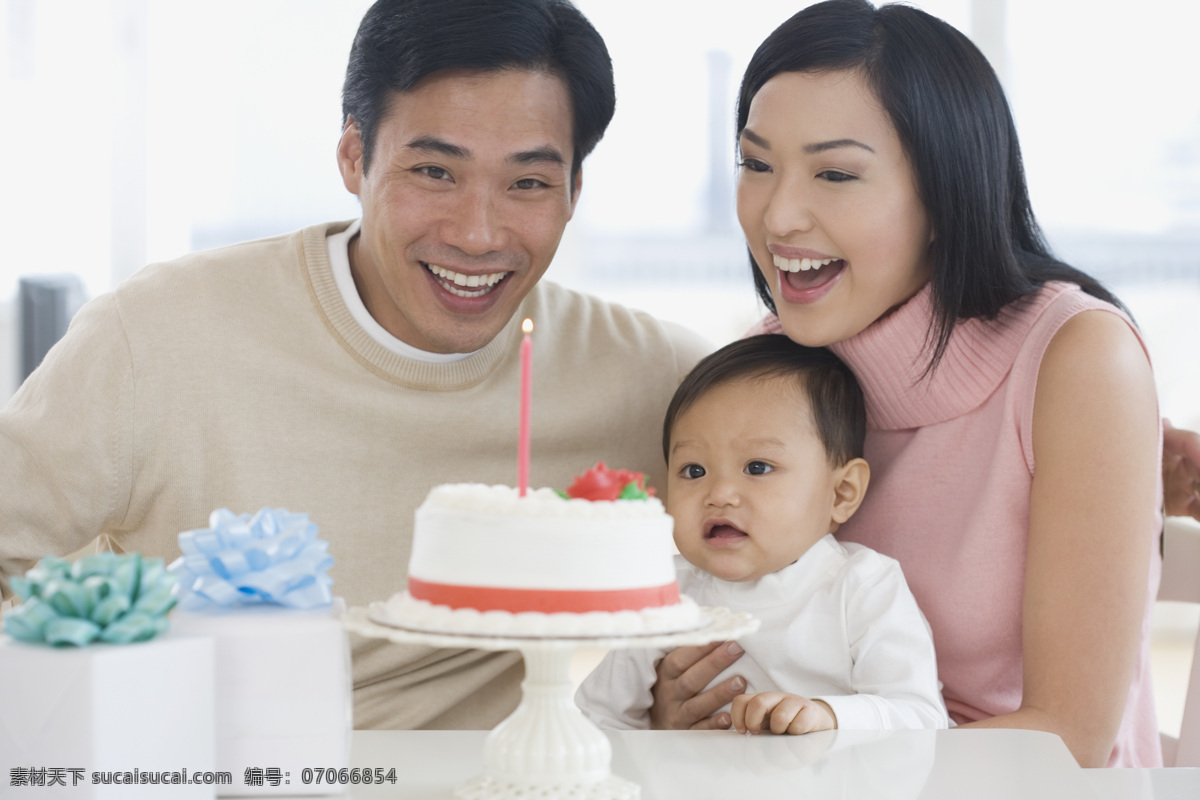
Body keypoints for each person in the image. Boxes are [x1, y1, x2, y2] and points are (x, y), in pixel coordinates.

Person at [0, 0, 710, 730]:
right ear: (352, 156)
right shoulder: (156, 334)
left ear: (574, 192)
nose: (476, 232)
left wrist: (659, 704)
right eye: (434, 170)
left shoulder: (666, 384)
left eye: (527, 182)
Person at [648, 0, 1167, 768]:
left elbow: (1071, 739)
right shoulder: (767, 369)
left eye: (835, 172)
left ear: (943, 194)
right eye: (756, 164)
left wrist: (825, 758)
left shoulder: (1077, 359)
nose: (778, 215)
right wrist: (673, 710)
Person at [575, 335, 948, 734]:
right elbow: (596, 721)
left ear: (841, 493)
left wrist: (828, 715)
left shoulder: (861, 586)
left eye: (757, 467)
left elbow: (922, 718)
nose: (718, 494)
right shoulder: (663, 595)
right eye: (694, 471)